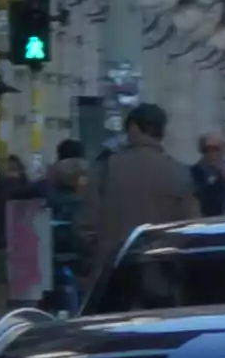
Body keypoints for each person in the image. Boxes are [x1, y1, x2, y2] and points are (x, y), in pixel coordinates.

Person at [84, 106, 198, 274]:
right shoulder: (179, 171)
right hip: (163, 273)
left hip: (114, 274)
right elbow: (191, 226)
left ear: (134, 129)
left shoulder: (105, 168)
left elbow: (87, 227)